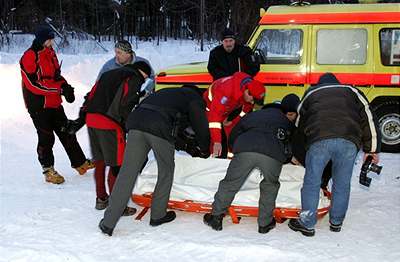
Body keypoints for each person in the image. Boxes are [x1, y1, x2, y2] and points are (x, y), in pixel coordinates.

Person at [98, 86, 210, 236]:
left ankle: (108, 222)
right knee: (166, 171)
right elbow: (199, 123)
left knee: (127, 173)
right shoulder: (193, 97)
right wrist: (204, 147)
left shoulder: (167, 93)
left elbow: (176, 128)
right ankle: (158, 215)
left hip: (136, 122)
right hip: (159, 125)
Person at [288, 73, 381, 237]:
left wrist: (299, 152)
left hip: (318, 139)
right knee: (342, 183)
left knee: (312, 182)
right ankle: (336, 222)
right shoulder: (352, 91)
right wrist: (372, 149)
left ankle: (307, 223)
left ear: (320, 84)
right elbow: (368, 118)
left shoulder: (311, 92)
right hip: (348, 140)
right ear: (337, 83)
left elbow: (299, 123)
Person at [203, 94, 300, 233]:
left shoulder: (253, 115)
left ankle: (216, 218)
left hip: (245, 149)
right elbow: (293, 144)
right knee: (270, 186)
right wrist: (286, 158)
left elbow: (235, 132)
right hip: (272, 154)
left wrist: (235, 149)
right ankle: (264, 224)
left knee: (230, 183)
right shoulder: (286, 121)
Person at [19, 25, 94, 184]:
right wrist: (58, 89)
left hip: (54, 102)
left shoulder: (50, 53)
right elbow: (33, 85)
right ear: (41, 39)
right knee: (46, 138)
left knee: (67, 131)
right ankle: (48, 170)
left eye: (52, 39)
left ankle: (80, 163)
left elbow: (56, 76)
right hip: (38, 105)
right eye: (49, 39)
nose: (52, 42)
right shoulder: (29, 56)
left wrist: (66, 87)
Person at [83, 61, 151, 215]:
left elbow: (91, 95)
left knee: (99, 161)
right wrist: (130, 126)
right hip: (110, 124)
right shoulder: (134, 78)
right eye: (145, 77)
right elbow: (126, 105)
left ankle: (101, 199)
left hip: (92, 119)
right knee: (116, 165)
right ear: (142, 72)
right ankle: (117, 206)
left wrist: (82, 117)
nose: (144, 81)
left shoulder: (108, 74)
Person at [204, 71, 265, 158]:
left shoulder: (250, 87)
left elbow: (246, 108)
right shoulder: (226, 91)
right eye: (252, 100)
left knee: (232, 132)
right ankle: (212, 158)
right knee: (213, 136)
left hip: (228, 109)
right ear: (247, 91)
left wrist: (235, 120)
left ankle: (231, 158)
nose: (252, 103)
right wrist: (217, 141)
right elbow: (214, 117)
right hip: (210, 107)